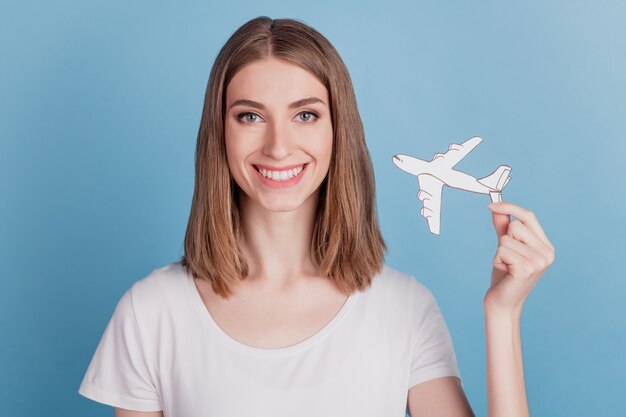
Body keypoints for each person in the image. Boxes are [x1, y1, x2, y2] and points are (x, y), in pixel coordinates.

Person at [78, 16, 555, 417]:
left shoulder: (404, 309)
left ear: (337, 130)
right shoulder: (151, 312)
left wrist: (503, 312)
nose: (279, 146)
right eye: (250, 116)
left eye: (305, 115)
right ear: (219, 132)